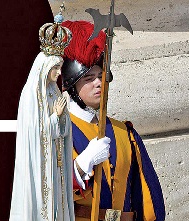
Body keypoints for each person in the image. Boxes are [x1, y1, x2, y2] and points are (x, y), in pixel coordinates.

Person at [61, 20, 166, 221]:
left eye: (101, 76)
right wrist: (81, 165)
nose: (98, 83)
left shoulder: (124, 132)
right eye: (88, 78)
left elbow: (144, 193)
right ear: (72, 86)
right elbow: (47, 190)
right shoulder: (59, 131)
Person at [9, 9, 75, 221]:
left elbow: (63, 131)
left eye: (60, 67)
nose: (58, 73)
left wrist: (63, 119)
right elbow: (34, 135)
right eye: (55, 68)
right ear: (43, 67)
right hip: (39, 166)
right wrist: (55, 117)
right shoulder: (30, 95)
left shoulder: (54, 91)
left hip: (56, 165)